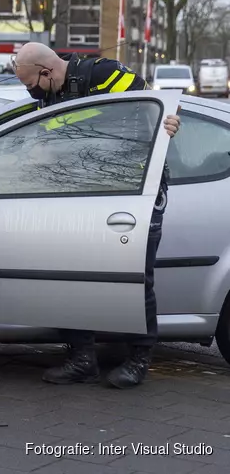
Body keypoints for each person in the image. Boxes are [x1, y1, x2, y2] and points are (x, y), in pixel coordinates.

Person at [13, 42, 181, 389]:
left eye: (31, 84)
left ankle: (138, 360)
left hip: (133, 193)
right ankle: (81, 358)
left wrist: (172, 123)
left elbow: (156, 111)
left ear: (46, 72)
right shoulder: (48, 97)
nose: (30, 93)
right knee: (70, 278)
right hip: (80, 196)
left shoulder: (104, 75)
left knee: (135, 280)